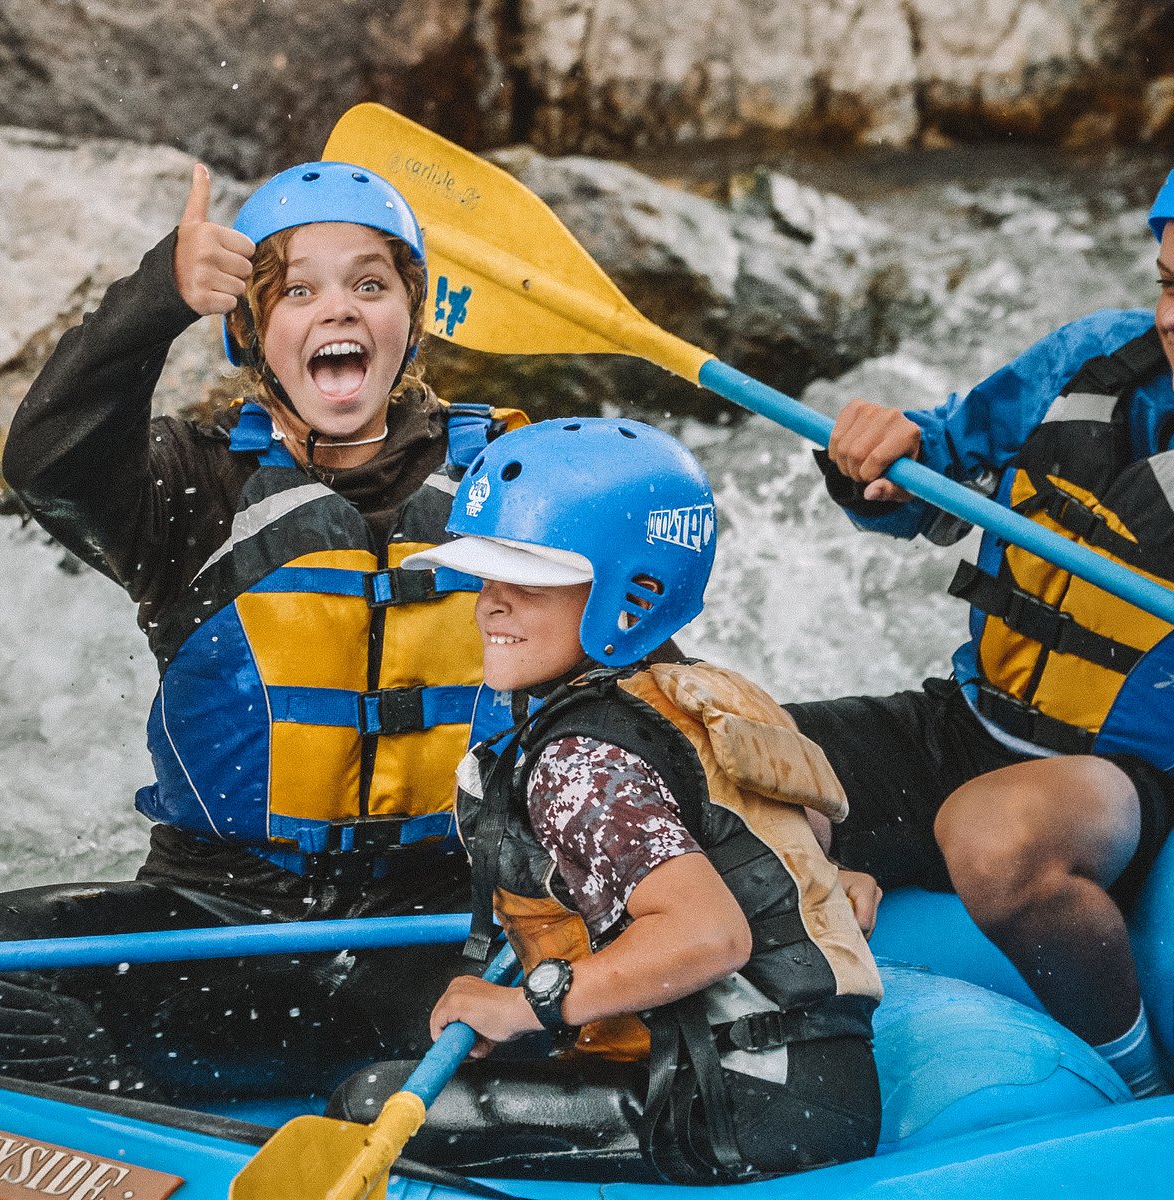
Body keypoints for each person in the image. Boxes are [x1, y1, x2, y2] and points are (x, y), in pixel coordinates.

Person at [0, 160, 525, 1099]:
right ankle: (142, 1141)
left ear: (413, 318)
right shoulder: (186, 488)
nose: (338, 311)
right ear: (249, 328)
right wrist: (156, 297)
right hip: (227, 924)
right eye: (297, 291)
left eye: (371, 285)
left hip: (431, 937)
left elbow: (638, 651)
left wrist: (849, 487)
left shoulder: (510, 487)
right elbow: (48, 460)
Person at [786, 130, 1174, 1099]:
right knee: (708, 751)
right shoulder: (1089, 360)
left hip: (1131, 789)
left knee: (997, 833)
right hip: (970, 721)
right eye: (1169, 283)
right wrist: (873, 457)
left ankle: (1140, 1087)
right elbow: (927, 492)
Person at [332, 418, 883, 1183]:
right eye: (486, 577)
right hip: (820, 1078)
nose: (490, 604)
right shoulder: (700, 693)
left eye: (525, 578)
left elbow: (710, 937)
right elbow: (804, 844)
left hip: (737, 1103)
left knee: (367, 1102)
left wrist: (530, 1006)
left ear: (633, 588)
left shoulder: (577, 759)